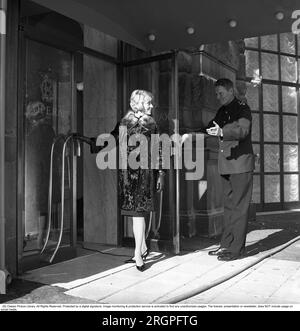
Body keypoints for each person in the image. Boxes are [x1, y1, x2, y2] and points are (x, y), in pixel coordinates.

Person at [76, 90, 164, 271]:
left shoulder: (153, 124)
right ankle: (143, 249)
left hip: (145, 175)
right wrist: (89, 140)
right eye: (148, 103)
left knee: (138, 213)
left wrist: (161, 173)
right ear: (138, 104)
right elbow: (111, 140)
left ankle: (138, 255)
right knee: (135, 214)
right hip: (128, 175)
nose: (152, 106)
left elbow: (158, 149)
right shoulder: (124, 123)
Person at [205, 78, 254, 261]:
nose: (218, 97)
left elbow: (243, 131)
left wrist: (222, 132)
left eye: (221, 93)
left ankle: (236, 250)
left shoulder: (243, 108)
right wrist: (189, 134)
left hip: (240, 164)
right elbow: (210, 127)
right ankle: (225, 245)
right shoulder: (222, 110)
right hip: (227, 165)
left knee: (240, 208)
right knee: (229, 207)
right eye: (216, 94)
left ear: (231, 90)